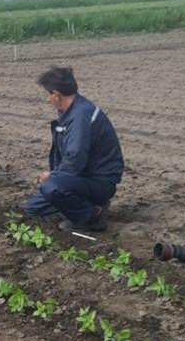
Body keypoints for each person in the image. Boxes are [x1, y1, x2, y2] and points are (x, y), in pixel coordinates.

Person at [24, 66, 124, 232]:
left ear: (56, 94)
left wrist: (52, 177)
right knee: (32, 208)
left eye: (48, 95)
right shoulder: (71, 111)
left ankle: (93, 217)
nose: (48, 99)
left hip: (99, 181)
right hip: (82, 178)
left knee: (50, 186)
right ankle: (82, 206)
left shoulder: (80, 116)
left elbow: (75, 160)